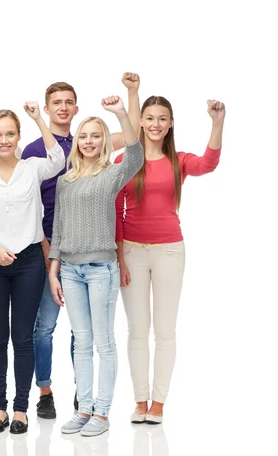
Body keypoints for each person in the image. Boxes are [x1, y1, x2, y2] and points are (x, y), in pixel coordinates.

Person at [22, 77, 134, 418]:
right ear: (48, 107)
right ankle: (50, 393)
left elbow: (135, 145)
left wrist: (122, 109)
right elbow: (33, 204)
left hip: (94, 257)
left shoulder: (100, 162)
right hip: (53, 250)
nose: (63, 106)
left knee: (89, 337)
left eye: (69, 101)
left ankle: (88, 402)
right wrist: (49, 254)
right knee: (47, 326)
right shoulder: (42, 158)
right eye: (56, 101)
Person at [114, 79, 225, 424]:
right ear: (141, 122)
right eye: (149, 117)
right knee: (136, 330)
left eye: (163, 118)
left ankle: (158, 402)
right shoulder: (123, 159)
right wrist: (119, 257)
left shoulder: (178, 160)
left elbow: (208, 163)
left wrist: (217, 122)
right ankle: (139, 400)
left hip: (169, 252)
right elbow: (115, 209)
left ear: (170, 123)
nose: (156, 124)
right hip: (131, 251)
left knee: (164, 328)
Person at [0, 102, 65, 434]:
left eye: (10, 134)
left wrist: (37, 118)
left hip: (30, 261)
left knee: (23, 338)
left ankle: (21, 409)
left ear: (18, 136)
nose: (4, 140)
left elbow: (58, 159)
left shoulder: (32, 168)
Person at [49, 96, 144, 437]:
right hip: (71, 272)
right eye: (84, 136)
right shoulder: (66, 180)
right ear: (77, 142)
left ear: (104, 141)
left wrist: (119, 113)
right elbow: (58, 228)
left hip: (101, 269)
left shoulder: (112, 173)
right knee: (81, 343)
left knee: (104, 343)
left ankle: (102, 413)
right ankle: (84, 408)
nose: (89, 141)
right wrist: (53, 269)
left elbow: (136, 155)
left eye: (96, 136)